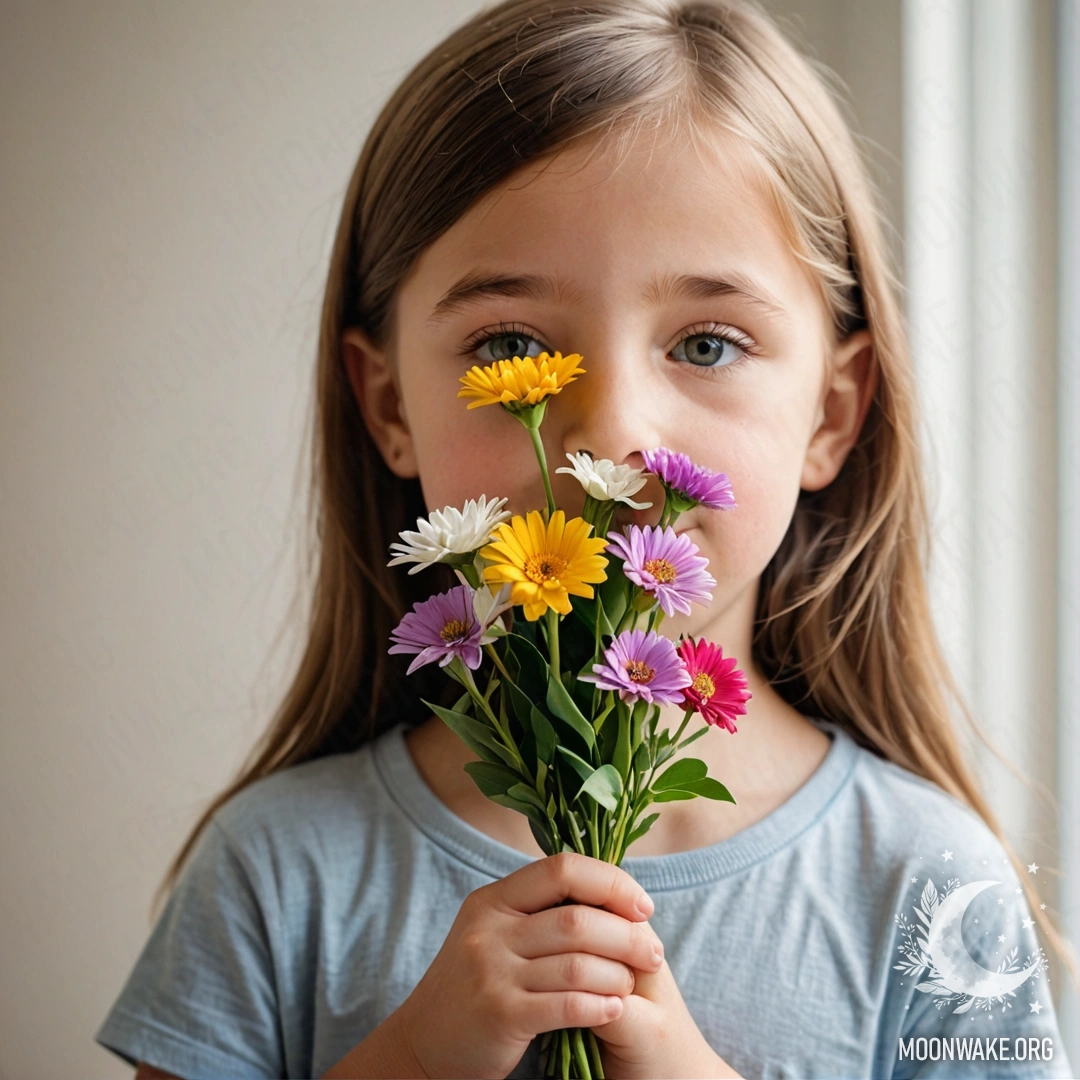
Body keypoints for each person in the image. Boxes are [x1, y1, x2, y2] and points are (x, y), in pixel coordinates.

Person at [94, 1, 1077, 1077]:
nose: (610, 431)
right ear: (386, 406)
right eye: (510, 342)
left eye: (707, 341)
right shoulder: (274, 872)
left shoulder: (932, 885)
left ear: (832, 414)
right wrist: (413, 1060)